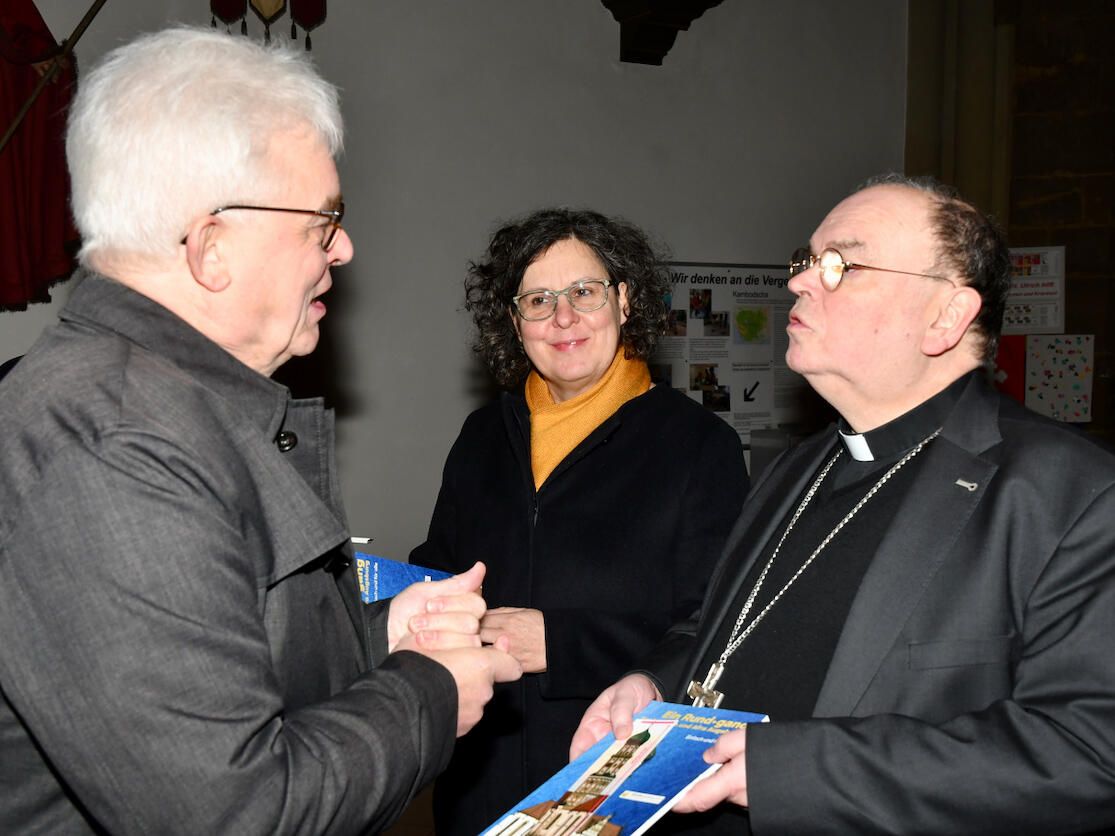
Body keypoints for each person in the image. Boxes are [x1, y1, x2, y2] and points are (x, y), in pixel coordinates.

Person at [0, 27, 521, 834]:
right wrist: (429, 690)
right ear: (211, 248)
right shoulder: (110, 443)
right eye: (323, 221)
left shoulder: (161, 404)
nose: (342, 249)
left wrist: (384, 637)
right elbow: (234, 812)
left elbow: (226, 659)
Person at [571, 176, 1115, 835]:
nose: (799, 282)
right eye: (806, 261)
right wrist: (653, 684)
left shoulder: (1068, 491)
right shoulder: (797, 464)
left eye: (841, 265)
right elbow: (723, 624)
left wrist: (793, 770)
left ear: (946, 317)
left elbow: (1086, 750)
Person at [411, 207, 749, 834]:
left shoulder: (700, 445)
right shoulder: (483, 436)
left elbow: (721, 631)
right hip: (479, 778)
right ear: (515, 322)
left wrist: (560, 644)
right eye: (537, 300)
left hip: (615, 779)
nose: (562, 318)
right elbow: (441, 563)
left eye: (584, 293)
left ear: (623, 301)